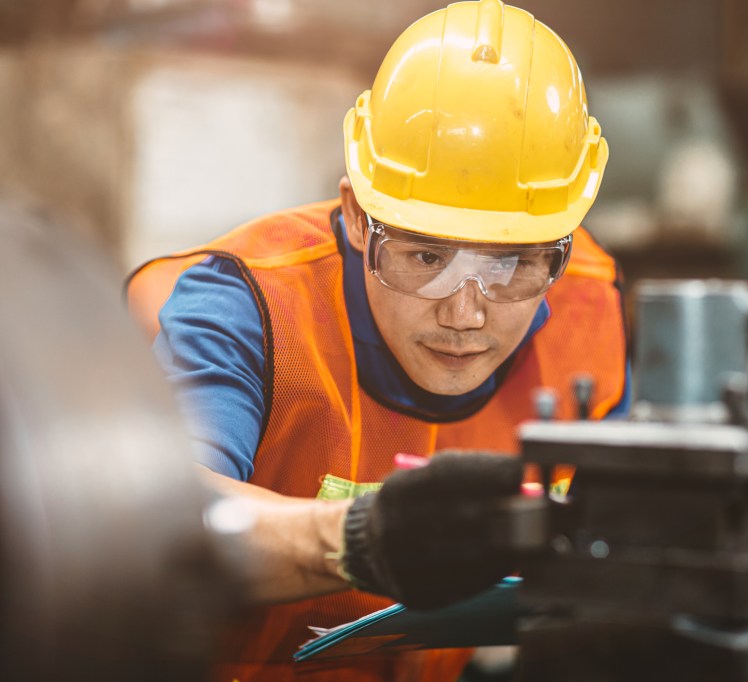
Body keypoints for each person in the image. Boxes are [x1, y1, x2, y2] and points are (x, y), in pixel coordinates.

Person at [126, 0, 629, 679]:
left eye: (510, 263)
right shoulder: (251, 309)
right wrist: (358, 539)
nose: (464, 313)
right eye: (427, 259)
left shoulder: (588, 310)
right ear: (360, 217)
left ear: (560, 248)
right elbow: (166, 527)